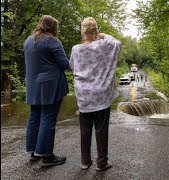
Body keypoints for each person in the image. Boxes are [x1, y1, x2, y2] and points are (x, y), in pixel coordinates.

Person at [69, 17, 121, 171]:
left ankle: (85, 162)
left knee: (85, 129)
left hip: (83, 95)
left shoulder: (75, 49)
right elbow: (117, 43)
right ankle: (102, 162)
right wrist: (104, 35)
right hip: (101, 94)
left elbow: (72, 66)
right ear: (95, 31)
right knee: (101, 130)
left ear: (82, 31)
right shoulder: (103, 45)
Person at [24, 15, 69, 167]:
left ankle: (34, 152)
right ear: (52, 27)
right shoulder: (51, 40)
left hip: (33, 86)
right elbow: (64, 64)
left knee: (34, 116)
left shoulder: (28, 41)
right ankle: (47, 155)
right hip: (50, 86)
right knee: (48, 117)